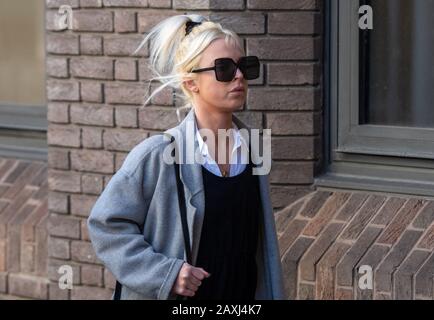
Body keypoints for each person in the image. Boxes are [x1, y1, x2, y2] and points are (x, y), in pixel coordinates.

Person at [87, 14, 285, 300]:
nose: (239, 76)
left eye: (244, 66)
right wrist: (165, 274)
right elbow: (105, 226)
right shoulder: (158, 155)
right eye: (224, 69)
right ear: (191, 82)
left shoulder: (253, 152)